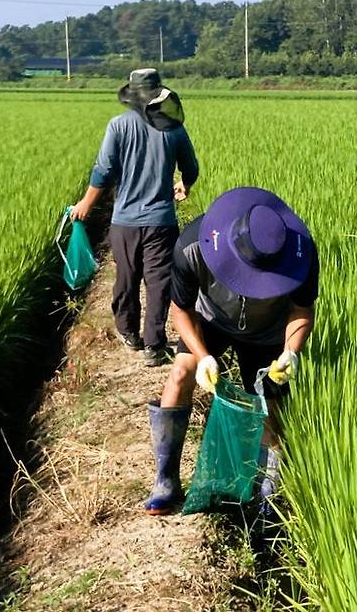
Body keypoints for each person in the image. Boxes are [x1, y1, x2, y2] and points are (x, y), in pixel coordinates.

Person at [143, 186, 319, 516]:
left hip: (267, 330)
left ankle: (270, 488)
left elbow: (302, 310)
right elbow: (181, 312)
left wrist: (291, 352)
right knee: (180, 372)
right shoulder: (193, 245)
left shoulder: (301, 252)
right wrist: (204, 355)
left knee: (273, 400)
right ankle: (165, 478)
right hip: (211, 319)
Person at [71, 68, 199, 366]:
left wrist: (86, 204)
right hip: (161, 221)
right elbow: (190, 167)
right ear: (157, 95)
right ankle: (155, 345)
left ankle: (128, 332)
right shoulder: (174, 129)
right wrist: (185, 186)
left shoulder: (118, 126)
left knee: (126, 278)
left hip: (125, 221)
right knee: (159, 282)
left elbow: (103, 170)